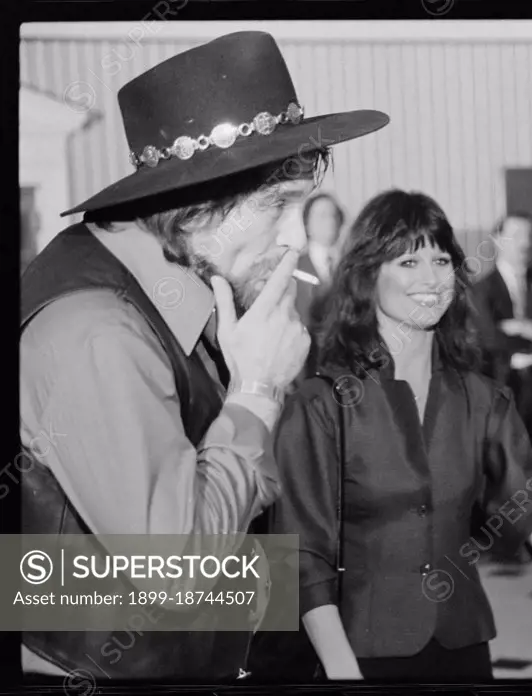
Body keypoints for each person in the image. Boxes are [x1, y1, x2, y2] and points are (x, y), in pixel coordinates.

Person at [18, 30, 388, 682]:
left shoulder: (189, 288)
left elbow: (240, 495)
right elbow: (176, 568)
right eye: (279, 207)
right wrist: (259, 392)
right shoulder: (99, 333)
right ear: (193, 210)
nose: (297, 239)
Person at [265, 189, 532, 683]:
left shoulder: (481, 398)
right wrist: (340, 668)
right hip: (358, 653)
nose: (431, 279)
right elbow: (303, 555)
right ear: (369, 275)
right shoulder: (322, 405)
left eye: (440, 260)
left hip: (463, 648)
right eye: (408, 261)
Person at [470, 213, 532, 467]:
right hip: (503, 386)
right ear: (497, 240)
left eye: (529, 236)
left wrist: (526, 328)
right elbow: (491, 339)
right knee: (507, 464)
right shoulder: (481, 289)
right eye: (516, 236)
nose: (525, 243)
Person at [296, 192, 347, 380]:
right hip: (307, 368)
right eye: (322, 215)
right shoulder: (294, 270)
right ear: (307, 224)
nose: (329, 221)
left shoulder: (350, 268)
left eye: (334, 215)